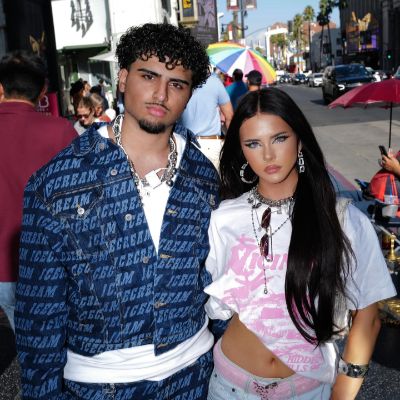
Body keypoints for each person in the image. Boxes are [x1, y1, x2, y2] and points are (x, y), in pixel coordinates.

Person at [15, 23, 218, 399]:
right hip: (99, 386)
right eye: (148, 76)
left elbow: (217, 283)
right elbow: (38, 316)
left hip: (197, 374)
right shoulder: (56, 181)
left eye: (177, 84)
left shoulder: (202, 174)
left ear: (189, 94)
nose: (161, 94)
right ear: (123, 78)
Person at [204, 88, 396, 399]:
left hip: (307, 389)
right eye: (253, 144)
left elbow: (368, 316)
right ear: (241, 150)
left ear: (300, 140)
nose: (268, 155)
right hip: (229, 386)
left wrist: (343, 393)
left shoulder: (342, 219)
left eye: (279, 138)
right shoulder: (224, 218)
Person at [0, 51, 77, 333]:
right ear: (43, 90)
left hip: (3, 267)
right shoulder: (61, 131)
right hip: (54, 259)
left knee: (27, 339)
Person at [179, 71, 233, 168]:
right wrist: (232, 144)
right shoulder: (215, 82)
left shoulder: (180, 81)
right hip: (210, 145)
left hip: (184, 142)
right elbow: (229, 116)